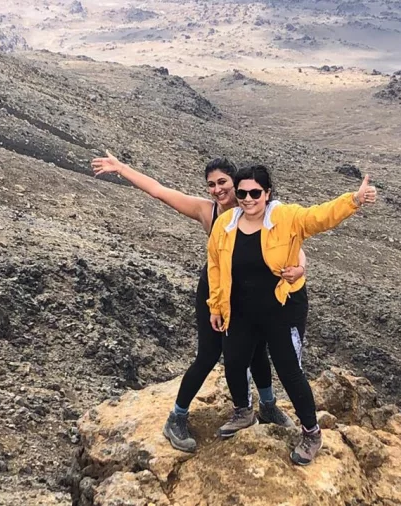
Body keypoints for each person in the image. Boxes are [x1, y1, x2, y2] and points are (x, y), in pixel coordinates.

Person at [91, 152, 307, 453]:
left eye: (223, 183)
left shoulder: (262, 207)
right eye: (211, 184)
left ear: (238, 183)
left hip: (252, 295)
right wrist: (121, 168)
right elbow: (159, 191)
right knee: (209, 354)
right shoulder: (209, 211)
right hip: (216, 292)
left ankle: (267, 406)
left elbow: (292, 239)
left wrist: (300, 266)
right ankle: (176, 417)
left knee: (258, 350)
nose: (217, 190)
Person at [207, 165, 377, 465]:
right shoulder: (225, 225)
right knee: (234, 362)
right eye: (242, 193)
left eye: (255, 193)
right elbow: (216, 268)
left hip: (282, 307)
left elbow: (319, 216)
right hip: (243, 309)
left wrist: (355, 199)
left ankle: (311, 433)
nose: (248, 199)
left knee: (288, 370)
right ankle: (244, 412)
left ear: (267, 193)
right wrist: (216, 307)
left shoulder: (285, 217)